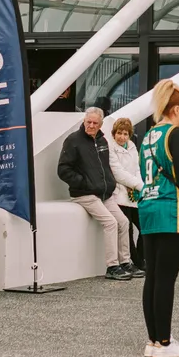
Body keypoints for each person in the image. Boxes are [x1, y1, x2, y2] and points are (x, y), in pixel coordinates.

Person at [137, 80, 179, 357]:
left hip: (148, 208)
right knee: (166, 279)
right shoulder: (176, 134)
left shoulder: (149, 135)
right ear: (175, 109)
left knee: (153, 277)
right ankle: (164, 342)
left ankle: (154, 339)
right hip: (172, 211)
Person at [57, 107, 141, 281]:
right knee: (111, 223)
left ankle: (126, 262)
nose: (91, 125)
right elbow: (63, 170)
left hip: (104, 194)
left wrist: (108, 183)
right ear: (84, 121)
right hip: (84, 194)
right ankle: (112, 266)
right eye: (88, 122)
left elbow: (106, 167)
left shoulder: (102, 141)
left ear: (101, 124)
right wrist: (84, 183)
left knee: (124, 222)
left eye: (95, 123)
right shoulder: (73, 140)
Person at [107, 116, 143, 271]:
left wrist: (138, 185)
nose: (122, 137)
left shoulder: (132, 147)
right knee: (127, 230)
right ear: (114, 133)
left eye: (125, 134)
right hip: (120, 194)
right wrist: (139, 185)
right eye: (119, 133)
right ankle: (133, 262)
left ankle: (141, 259)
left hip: (134, 194)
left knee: (144, 226)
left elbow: (137, 169)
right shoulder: (110, 148)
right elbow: (118, 173)